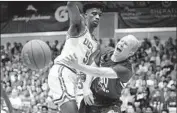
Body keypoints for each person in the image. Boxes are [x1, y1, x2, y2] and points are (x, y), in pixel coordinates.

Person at [48, 1, 104, 113]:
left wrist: (87, 87)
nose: (97, 16)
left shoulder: (96, 44)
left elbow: (89, 69)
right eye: (94, 13)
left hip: (77, 79)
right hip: (64, 71)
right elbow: (70, 4)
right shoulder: (79, 26)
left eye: (99, 14)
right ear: (85, 15)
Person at [61, 35, 141, 113]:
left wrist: (78, 66)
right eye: (121, 41)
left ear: (130, 53)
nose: (121, 44)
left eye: (125, 44)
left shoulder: (126, 69)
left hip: (110, 103)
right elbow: (92, 69)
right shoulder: (106, 51)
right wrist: (86, 88)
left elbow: (99, 72)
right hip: (92, 96)